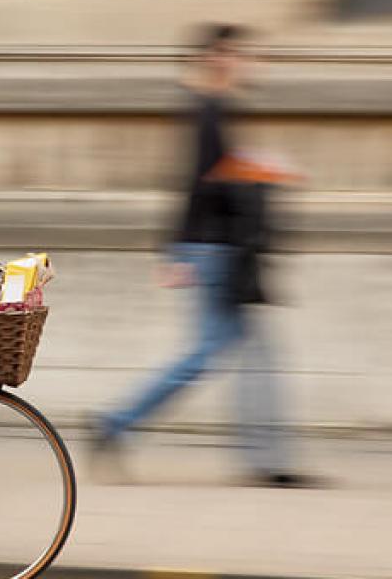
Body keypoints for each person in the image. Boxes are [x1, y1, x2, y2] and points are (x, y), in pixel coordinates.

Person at [91, 24, 315, 487]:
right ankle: (117, 423)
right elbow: (199, 182)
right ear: (217, 57)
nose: (249, 64)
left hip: (215, 247)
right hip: (216, 250)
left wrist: (265, 168)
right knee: (211, 354)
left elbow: (215, 176)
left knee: (237, 352)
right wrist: (177, 251)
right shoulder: (208, 110)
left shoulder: (213, 110)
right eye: (240, 55)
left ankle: (261, 458)